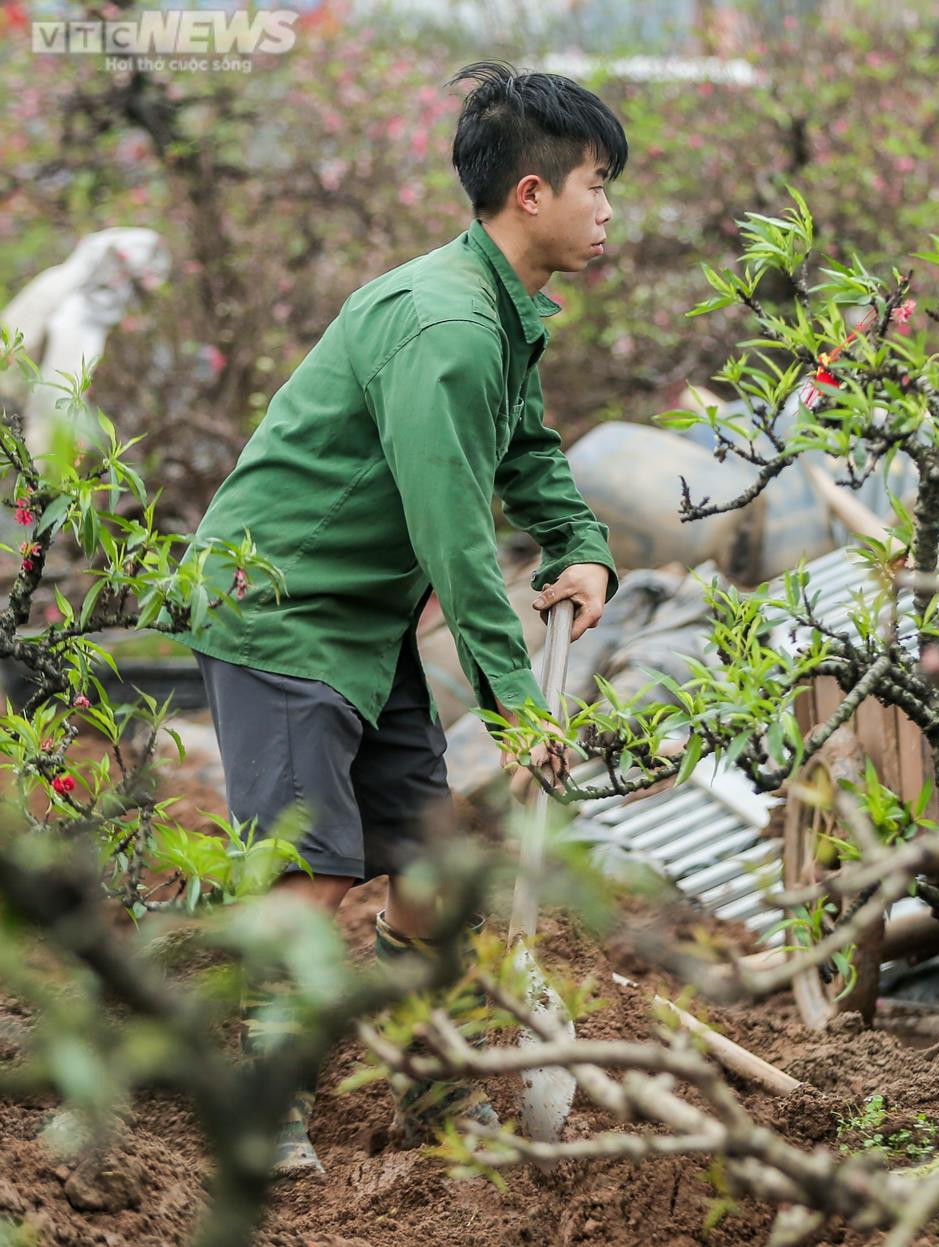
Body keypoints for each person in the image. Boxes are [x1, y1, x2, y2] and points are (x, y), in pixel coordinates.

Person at [186, 61, 624, 1177]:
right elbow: (455, 543)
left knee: (429, 867)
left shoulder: (500, 309)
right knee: (315, 869)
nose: (608, 208)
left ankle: (419, 1082)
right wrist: (517, 710)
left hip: (362, 617)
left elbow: (523, 448)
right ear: (530, 194)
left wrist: (580, 545)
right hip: (282, 608)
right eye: (595, 183)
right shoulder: (445, 326)